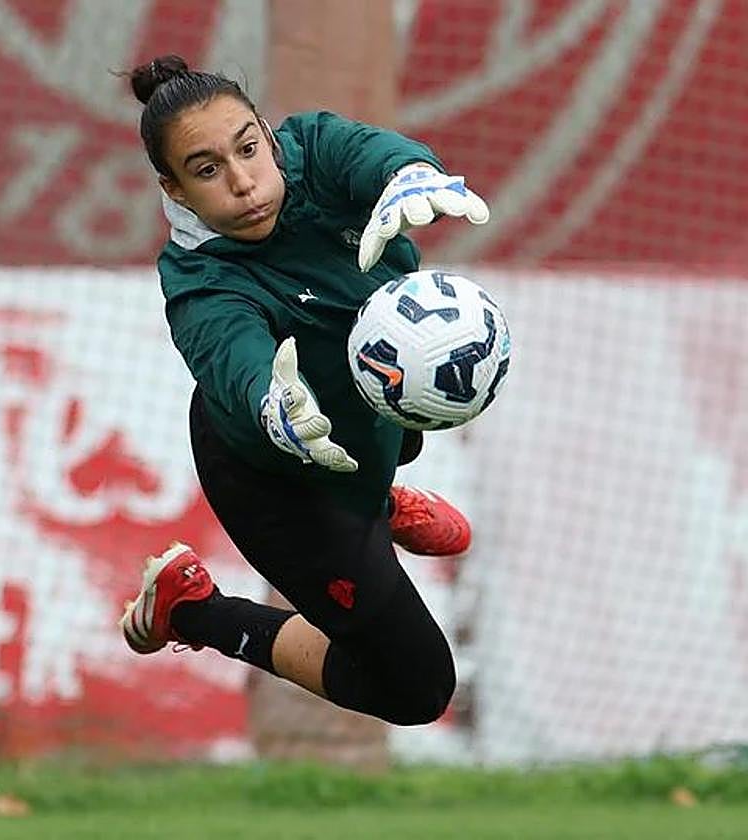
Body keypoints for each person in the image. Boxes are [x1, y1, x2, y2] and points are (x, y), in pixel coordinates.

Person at [120, 55, 490, 726]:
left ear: (265, 131)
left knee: (392, 399)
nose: (243, 182)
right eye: (207, 170)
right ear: (173, 190)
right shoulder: (199, 279)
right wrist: (271, 403)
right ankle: (194, 610)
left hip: (365, 426)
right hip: (282, 483)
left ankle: (381, 498)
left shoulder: (312, 151)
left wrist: (410, 174)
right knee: (415, 688)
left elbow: (369, 152)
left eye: (248, 149)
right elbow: (232, 352)